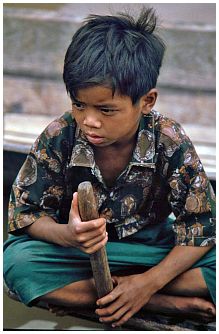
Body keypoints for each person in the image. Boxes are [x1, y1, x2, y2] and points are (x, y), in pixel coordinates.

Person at [4, 7, 216, 328]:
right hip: (80, 257)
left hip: (148, 251)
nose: (89, 120)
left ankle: (130, 292)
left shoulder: (169, 140)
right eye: (79, 105)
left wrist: (148, 281)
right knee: (17, 264)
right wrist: (68, 235)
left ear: (146, 101)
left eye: (106, 109)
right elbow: (25, 214)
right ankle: (161, 302)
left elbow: (201, 229)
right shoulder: (59, 135)